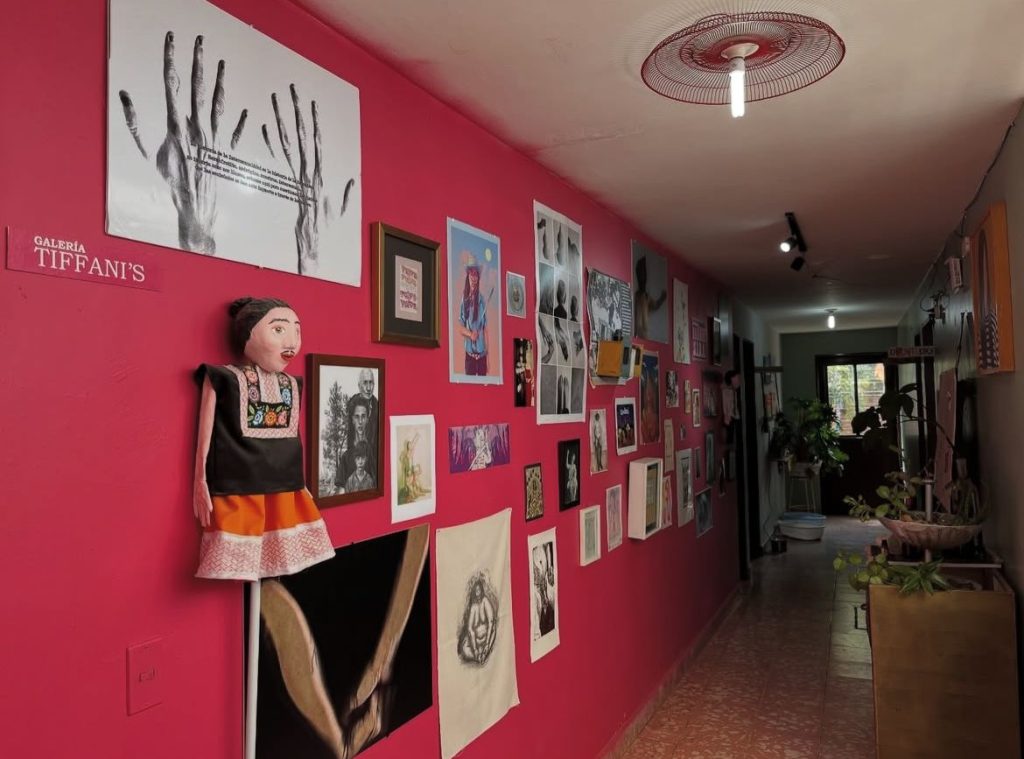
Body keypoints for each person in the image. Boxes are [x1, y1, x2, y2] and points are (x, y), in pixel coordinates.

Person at [193, 297, 334, 580]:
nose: (291, 342)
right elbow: (204, 434)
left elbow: (293, 437)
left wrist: (300, 483)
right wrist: (200, 480)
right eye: (279, 330)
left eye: (297, 331)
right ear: (247, 332)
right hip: (238, 488)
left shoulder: (291, 384)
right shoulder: (224, 378)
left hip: (286, 489)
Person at [457, 253, 489, 376]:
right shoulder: (464, 300)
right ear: (468, 275)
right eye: (472, 273)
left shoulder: (482, 300)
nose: (474, 277)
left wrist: (488, 358)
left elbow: (485, 330)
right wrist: (471, 334)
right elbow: (460, 328)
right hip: (469, 358)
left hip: (482, 358)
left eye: (476, 274)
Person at [337, 395, 374, 489]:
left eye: (363, 416)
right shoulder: (346, 457)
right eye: (357, 417)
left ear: (367, 419)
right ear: (352, 420)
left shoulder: (373, 452)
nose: (360, 421)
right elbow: (340, 491)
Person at [458, 577, 497, 665]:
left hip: (487, 638)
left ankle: (484, 652)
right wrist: (475, 649)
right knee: (464, 648)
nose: (477, 593)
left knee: (494, 629)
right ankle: (478, 657)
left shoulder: (485, 601)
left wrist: (487, 644)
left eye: (479, 590)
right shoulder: (473, 607)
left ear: (481, 590)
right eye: (476, 591)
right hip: (475, 642)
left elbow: (491, 622)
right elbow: (470, 629)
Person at [633, 256, 667, 339]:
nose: (643, 280)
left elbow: (655, 305)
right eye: (641, 278)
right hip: (638, 332)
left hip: (645, 332)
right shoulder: (637, 296)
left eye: (644, 278)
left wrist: (662, 298)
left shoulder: (647, 297)